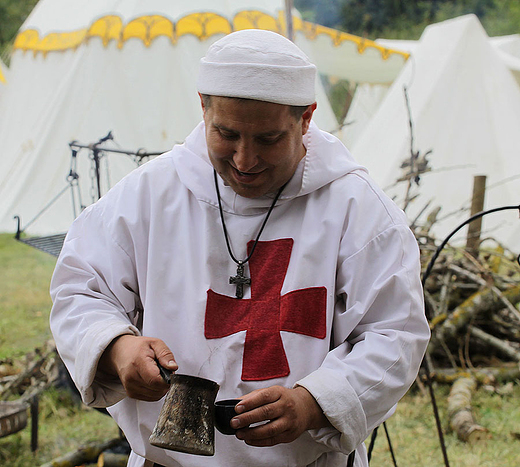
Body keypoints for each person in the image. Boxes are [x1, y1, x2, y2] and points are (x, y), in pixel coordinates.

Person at [50, 29, 430, 467]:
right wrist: (117, 347)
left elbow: (395, 334)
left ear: (306, 119)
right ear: (203, 108)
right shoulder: (150, 196)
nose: (245, 160)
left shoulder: (357, 210)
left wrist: (313, 403)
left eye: (269, 139)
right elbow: (81, 288)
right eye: (226, 134)